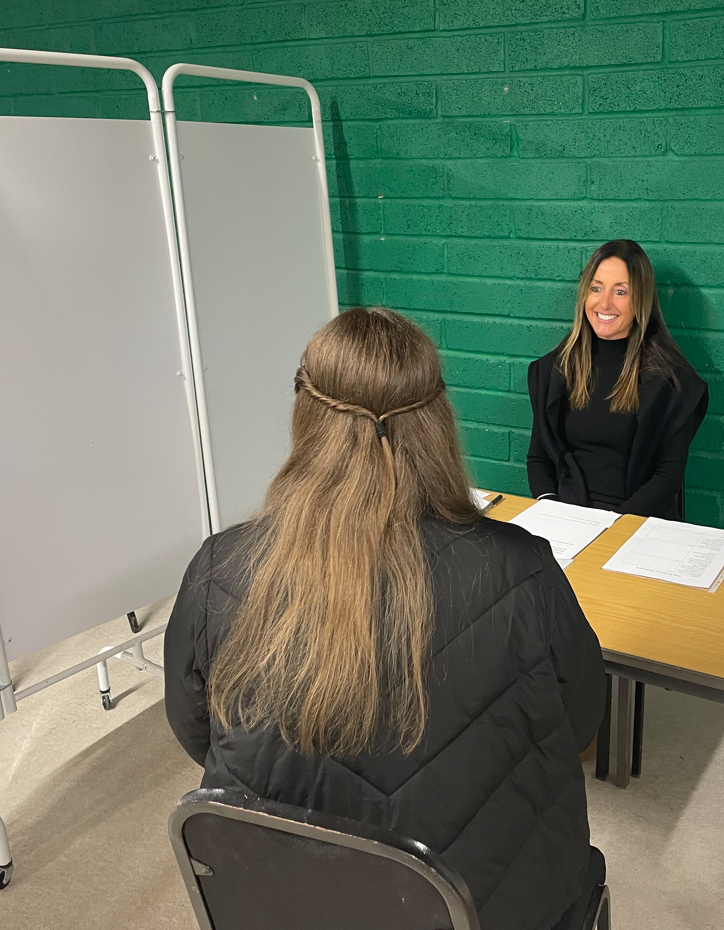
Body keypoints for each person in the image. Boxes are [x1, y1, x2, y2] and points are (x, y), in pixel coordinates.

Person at [165, 307, 607, 930]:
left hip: (288, 905)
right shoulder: (521, 570)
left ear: (304, 414)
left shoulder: (219, 570)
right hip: (488, 907)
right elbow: (581, 722)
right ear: (437, 421)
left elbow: (194, 731)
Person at [528, 239, 709, 520]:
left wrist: (613, 528)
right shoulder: (555, 370)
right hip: (566, 518)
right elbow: (539, 458)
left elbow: (667, 476)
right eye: (596, 288)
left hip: (636, 524)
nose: (604, 303)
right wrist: (552, 514)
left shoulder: (672, 383)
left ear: (641, 299)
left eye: (620, 291)